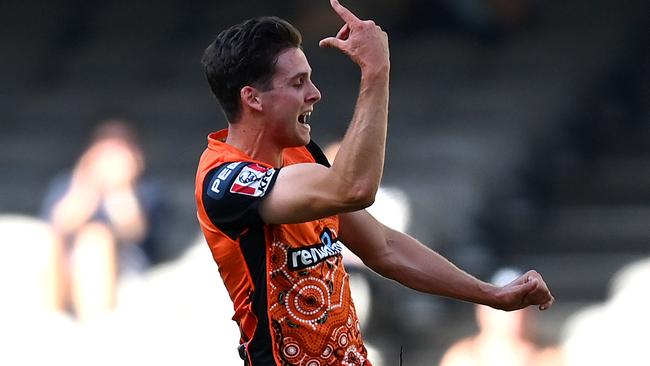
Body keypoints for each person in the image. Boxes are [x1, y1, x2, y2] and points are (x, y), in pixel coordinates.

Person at [195, 1, 554, 365]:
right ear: (252, 98)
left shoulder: (303, 159)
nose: (314, 93)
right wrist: (375, 72)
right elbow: (354, 190)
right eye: (298, 82)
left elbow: (383, 247)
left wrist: (490, 294)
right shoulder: (223, 180)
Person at [41, 119, 162, 322]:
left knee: (95, 238)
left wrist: (120, 187)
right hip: (69, 261)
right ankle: (51, 319)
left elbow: (134, 230)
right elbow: (60, 225)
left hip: (125, 262)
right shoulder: (68, 184)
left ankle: (95, 325)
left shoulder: (147, 191)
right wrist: (86, 183)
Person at [439, 268, 564, 366]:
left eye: (521, 307)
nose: (514, 315)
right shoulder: (461, 358)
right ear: (483, 311)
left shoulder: (549, 358)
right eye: (504, 307)